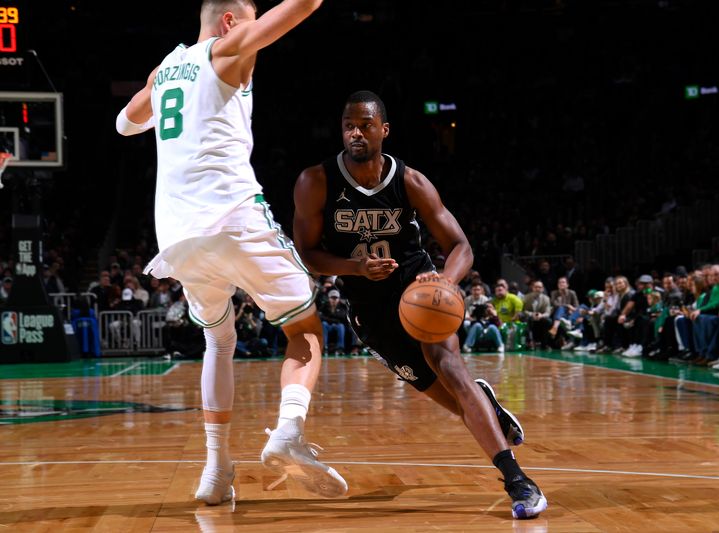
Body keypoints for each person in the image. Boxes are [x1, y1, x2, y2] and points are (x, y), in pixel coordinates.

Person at [115, 0, 346, 505]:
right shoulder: (226, 49)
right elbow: (302, 6)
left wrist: (163, 94)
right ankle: (288, 431)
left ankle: (217, 470)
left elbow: (124, 125)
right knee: (305, 327)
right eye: (250, 21)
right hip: (234, 217)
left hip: (178, 236)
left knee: (219, 340)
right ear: (229, 22)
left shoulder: (167, 67)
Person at [291, 90, 546, 519]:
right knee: (451, 400)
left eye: (365, 124)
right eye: (349, 125)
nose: (355, 132)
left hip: (418, 291)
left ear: (384, 130)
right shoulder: (315, 182)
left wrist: (444, 281)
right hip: (368, 309)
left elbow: (460, 245)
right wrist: (355, 270)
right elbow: (307, 254)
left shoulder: (410, 182)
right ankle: (485, 406)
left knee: (450, 370)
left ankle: (518, 481)